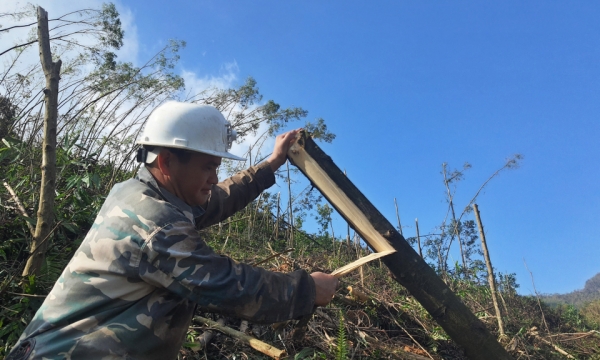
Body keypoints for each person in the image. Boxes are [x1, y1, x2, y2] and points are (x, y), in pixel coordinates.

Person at [7, 101, 338, 360]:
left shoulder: (146, 193)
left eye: (217, 167)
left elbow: (217, 198)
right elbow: (226, 286)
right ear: (166, 163)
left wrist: (271, 165)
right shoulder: (153, 221)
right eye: (208, 166)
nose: (214, 176)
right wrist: (307, 290)